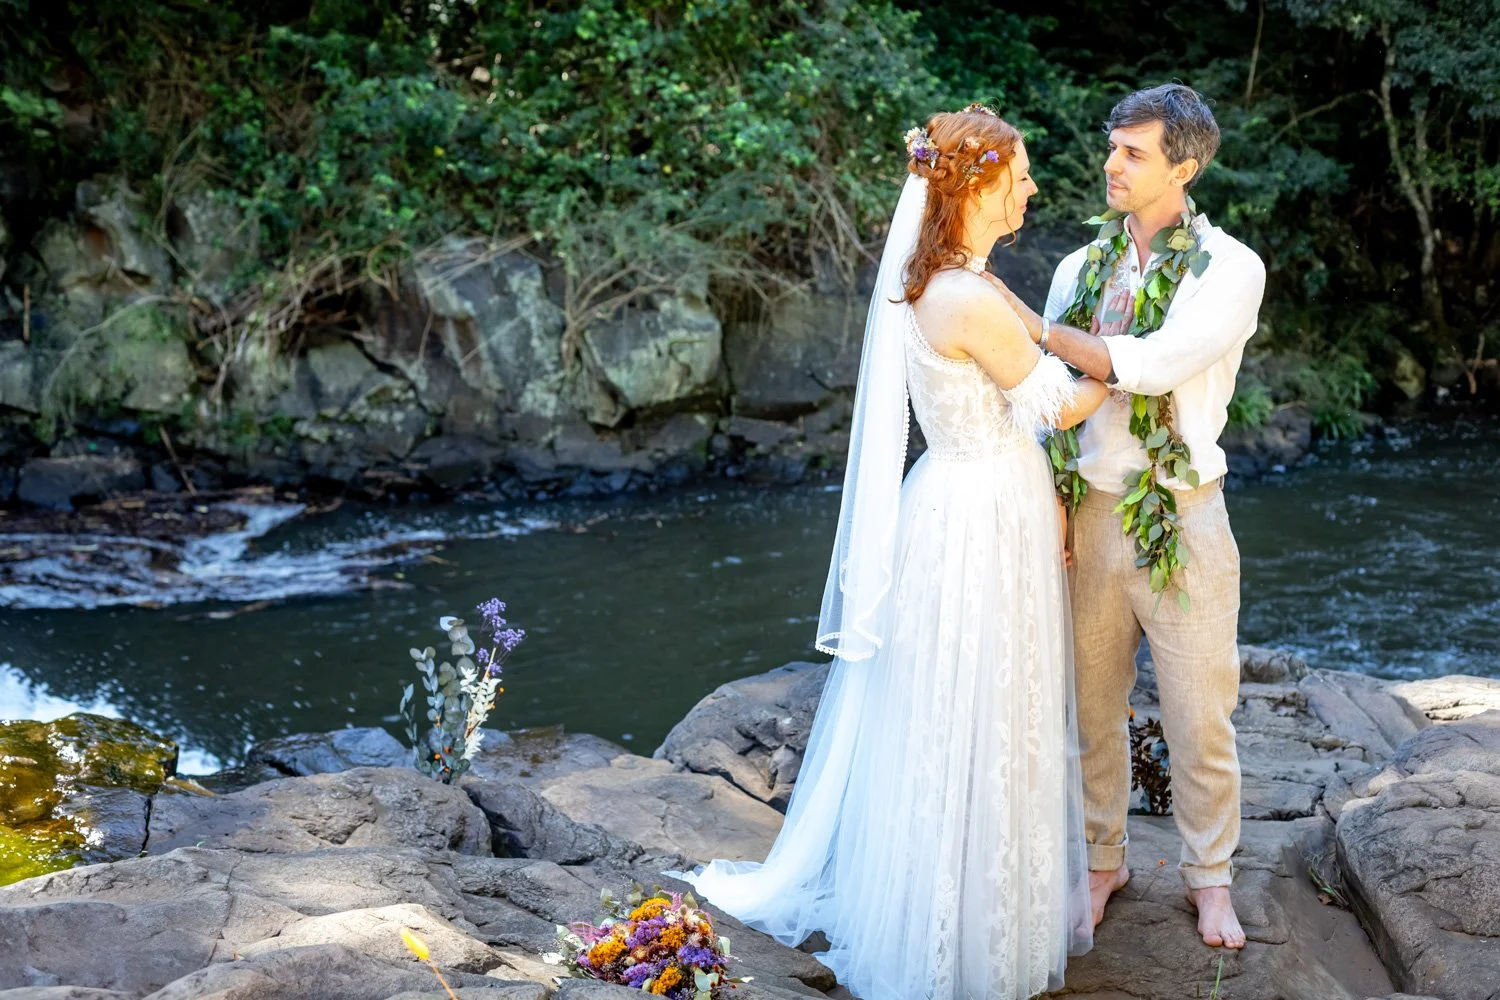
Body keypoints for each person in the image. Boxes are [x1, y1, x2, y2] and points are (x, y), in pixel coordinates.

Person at [674, 106, 1107, 999]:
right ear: (978, 186)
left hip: (966, 497)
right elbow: (1058, 406)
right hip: (981, 513)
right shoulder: (964, 297)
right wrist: (1130, 370)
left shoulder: (946, 282)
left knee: (967, 700)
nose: (1032, 188)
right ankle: (963, 934)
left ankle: (966, 909)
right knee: (981, 703)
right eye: (1020, 175)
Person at [988, 83, 1266, 950]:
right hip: (1089, 513)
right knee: (1089, 710)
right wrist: (1052, 505)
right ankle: (1101, 862)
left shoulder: (1230, 268)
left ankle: (1210, 879)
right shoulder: (1080, 267)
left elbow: (1155, 361)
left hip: (1186, 514)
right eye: (1113, 147)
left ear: (1184, 167)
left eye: (1133, 152)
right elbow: (1049, 402)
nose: (1111, 164)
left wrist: (1033, 327)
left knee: (1200, 714)